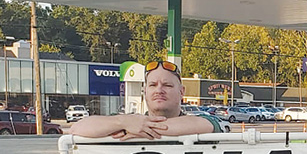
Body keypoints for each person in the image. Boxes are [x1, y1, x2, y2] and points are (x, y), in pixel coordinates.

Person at [71, 61, 221, 139]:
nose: (159, 90)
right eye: (153, 85)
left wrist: (140, 128)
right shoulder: (128, 122)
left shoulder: (203, 121)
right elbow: (77, 129)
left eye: (167, 85)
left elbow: (207, 125)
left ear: (182, 92)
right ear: (144, 91)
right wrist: (122, 122)